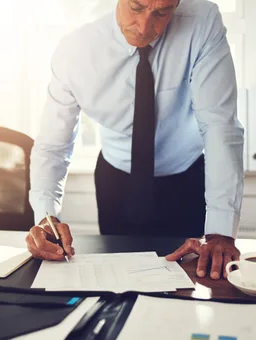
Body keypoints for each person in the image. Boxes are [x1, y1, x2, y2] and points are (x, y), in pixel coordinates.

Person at [26, 0, 244, 280]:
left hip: (186, 177)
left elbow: (219, 125)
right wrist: (47, 218)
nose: (144, 27)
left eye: (161, 12)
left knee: (190, 280)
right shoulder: (76, 52)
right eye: (137, 7)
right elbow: (53, 145)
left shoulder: (202, 22)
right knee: (119, 279)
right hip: (117, 181)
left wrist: (221, 231)